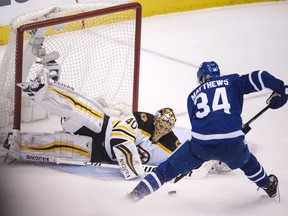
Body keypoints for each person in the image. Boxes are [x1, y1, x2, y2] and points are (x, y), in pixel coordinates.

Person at [127, 61, 288, 199]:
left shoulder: (193, 96)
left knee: (166, 170)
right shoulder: (233, 81)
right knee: (247, 161)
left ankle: (134, 196)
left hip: (201, 146)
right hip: (233, 144)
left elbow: (202, 125)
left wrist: (194, 160)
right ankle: (267, 184)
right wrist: (281, 88)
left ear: (201, 78)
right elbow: (261, 76)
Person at [5, 65, 180, 180]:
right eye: (161, 123)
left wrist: (204, 162)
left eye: (167, 126)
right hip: (102, 129)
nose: (163, 128)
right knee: (82, 109)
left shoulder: (171, 144)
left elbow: (187, 154)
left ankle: (13, 143)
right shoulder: (144, 120)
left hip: (98, 154)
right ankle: (44, 89)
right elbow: (119, 135)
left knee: (58, 148)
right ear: (156, 119)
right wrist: (130, 163)